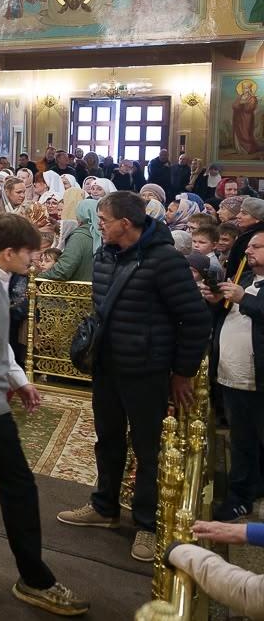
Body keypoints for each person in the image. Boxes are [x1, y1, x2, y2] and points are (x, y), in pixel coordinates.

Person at [57, 191, 212, 563]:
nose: (99, 226)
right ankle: (104, 506)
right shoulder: (105, 255)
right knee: (108, 439)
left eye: (104, 220)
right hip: (108, 367)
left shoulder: (165, 261)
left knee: (148, 448)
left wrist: (182, 372)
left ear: (125, 224)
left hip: (146, 370)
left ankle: (147, 522)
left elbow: (195, 319)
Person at [0, 213, 90, 616]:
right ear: (8, 252)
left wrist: (20, 379)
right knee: (19, 487)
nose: (35, 260)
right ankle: (35, 580)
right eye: (30, 253)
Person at [202, 229, 264, 521]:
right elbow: (227, 316)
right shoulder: (246, 278)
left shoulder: (247, 288)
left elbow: (252, 309)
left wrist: (242, 298)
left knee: (248, 441)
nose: (248, 251)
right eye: (249, 246)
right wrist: (217, 301)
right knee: (241, 439)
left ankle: (241, 497)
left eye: (257, 246)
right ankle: (246, 489)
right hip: (232, 374)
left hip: (255, 378)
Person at [41, 199, 99, 282]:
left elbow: (63, 270)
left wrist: (38, 277)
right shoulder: (100, 234)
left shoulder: (79, 236)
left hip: (78, 287)